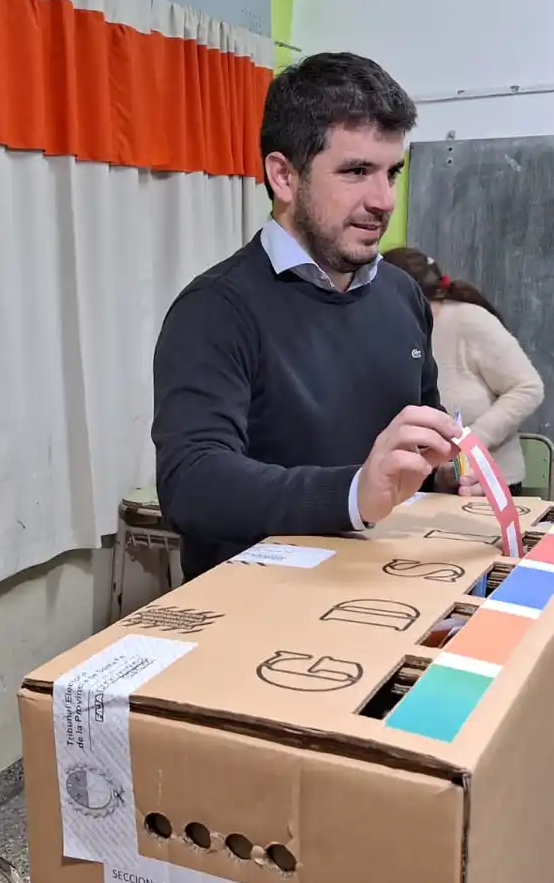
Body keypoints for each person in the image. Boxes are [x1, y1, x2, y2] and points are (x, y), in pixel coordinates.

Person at [151, 53, 475, 580]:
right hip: (259, 609)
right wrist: (353, 493)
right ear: (283, 175)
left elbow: (421, 433)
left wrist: (445, 472)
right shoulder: (215, 309)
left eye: (391, 172)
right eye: (355, 172)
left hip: (383, 585)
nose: (384, 200)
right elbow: (193, 483)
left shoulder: (401, 295)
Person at [383, 247, 545, 492]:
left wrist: (471, 443)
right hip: (422, 485)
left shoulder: (469, 321)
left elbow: (528, 388)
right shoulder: (388, 332)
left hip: (486, 485)